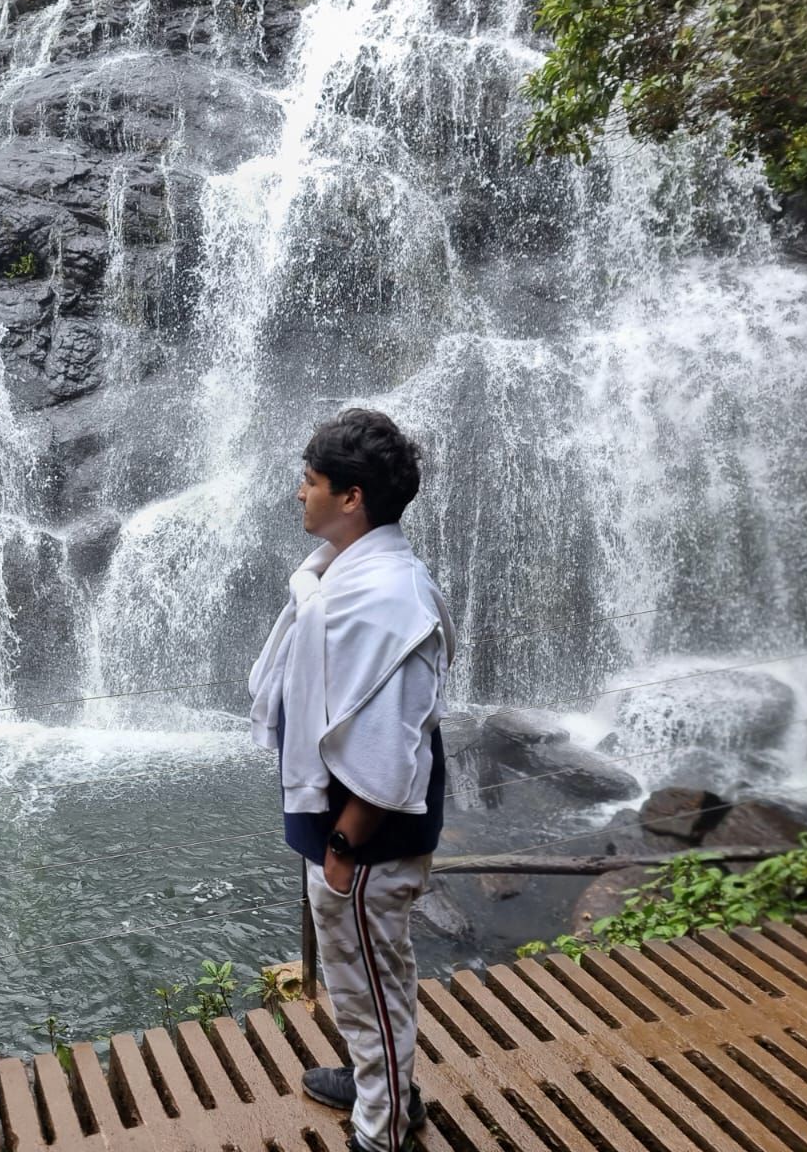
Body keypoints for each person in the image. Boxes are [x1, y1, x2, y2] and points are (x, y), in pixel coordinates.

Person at [247, 408, 455, 1152]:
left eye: (310, 481)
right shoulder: (346, 576)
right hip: (349, 829)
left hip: (365, 835)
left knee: (368, 977)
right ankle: (383, 1086)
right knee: (368, 971)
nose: (298, 493)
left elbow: (391, 746)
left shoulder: (388, 599)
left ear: (351, 496)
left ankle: (382, 1129)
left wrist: (343, 845)